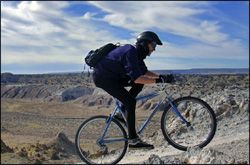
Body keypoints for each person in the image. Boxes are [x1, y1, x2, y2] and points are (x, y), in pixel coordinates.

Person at [92, 31, 175, 149]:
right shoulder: (130, 52)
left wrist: (161, 77)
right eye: (153, 45)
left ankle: (120, 113)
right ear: (145, 44)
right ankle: (133, 140)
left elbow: (145, 73)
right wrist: (159, 80)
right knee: (131, 101)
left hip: (112, 76)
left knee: (139, 85)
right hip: (104, 78)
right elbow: (137, 78)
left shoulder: (137, 55)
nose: (154, 49)